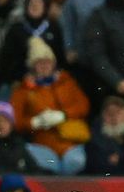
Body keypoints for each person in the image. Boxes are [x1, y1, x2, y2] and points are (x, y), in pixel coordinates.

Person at [10, 37, 90, 175]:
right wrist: (35, 122)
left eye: (48, 61)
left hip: (70, 141)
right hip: (41, 144)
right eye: (39, 62)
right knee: (47, 167)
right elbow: (14, 120)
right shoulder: (23, 90)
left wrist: (63, 115)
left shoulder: (66, 81)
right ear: (32, 65)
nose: (45, 66)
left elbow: (84, 106)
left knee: (75, 162)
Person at [84, 96, 124, 176]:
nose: (113, 117)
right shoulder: (94, 136)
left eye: (118, 112)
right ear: (102, 116)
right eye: (109, 113)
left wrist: (121, 159)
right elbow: (95, 163)